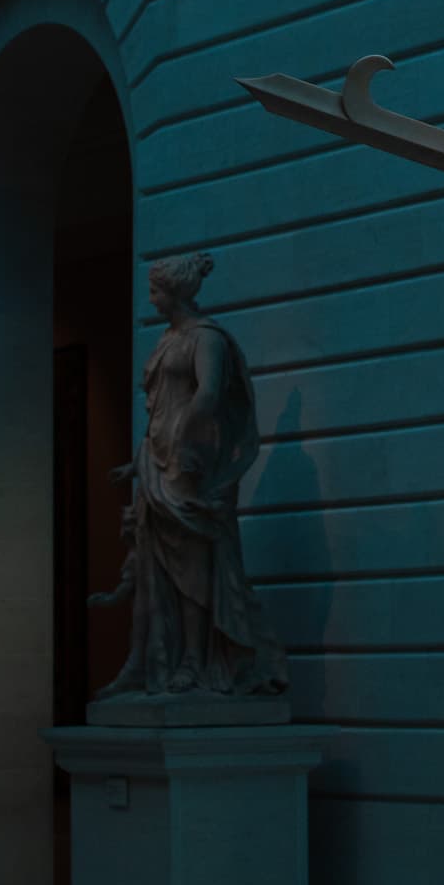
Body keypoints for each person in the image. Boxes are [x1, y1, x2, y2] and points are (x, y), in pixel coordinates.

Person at [93, 251, 287, 701]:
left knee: (195, 571)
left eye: (156, 291)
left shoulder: (206, 339)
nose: (152, 298)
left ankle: (194, 663)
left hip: (190, 463)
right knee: (152, 570)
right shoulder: (166, 340)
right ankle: (143, 664)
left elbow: (209, 393)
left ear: (175, 292)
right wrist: (141, 457)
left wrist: (184, 443)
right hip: (156, 463)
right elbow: (161, 408)